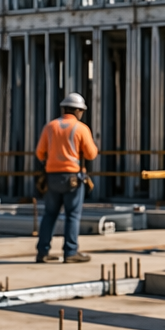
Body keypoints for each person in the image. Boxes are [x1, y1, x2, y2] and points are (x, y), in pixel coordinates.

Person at [34, 93, 99, 263]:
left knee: (49, 214)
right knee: (72, 216)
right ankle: (70, 252)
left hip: (51, 178)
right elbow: (91, 154)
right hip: (72, 178)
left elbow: (40, 152)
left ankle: (43, 252)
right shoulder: (80, 128)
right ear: (78, 111)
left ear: (64, 108)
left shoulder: (50, 127)